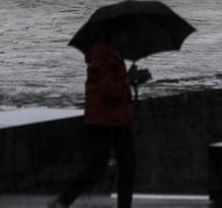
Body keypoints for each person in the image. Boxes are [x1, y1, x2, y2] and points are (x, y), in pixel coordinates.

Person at [50, 31, 150, 208]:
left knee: (127, 166)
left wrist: (135, 79)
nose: (127, 38)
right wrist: (128, 78)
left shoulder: (114, 54)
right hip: (103, 121)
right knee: (97, 168)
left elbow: (117, 86)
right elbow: (110, 90)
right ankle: (63, 201)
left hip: (119, 119)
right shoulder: (100, 56)